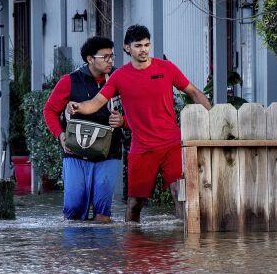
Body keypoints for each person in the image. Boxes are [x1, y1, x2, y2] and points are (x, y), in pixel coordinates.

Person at [71, 24, 211, 222]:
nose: (144, 49)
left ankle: (185, 241)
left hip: (171, 145)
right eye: (138, 45)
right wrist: (79, 107)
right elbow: (96, 102)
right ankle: (134, 245)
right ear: (127, 48)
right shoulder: (119, 76)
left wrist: (213, 115)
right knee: (135, 203)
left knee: (180, 195)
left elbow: (194, 92)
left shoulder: (166, 68)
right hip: (142, 148)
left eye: (147, 45)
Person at [43, 36, 126, 222]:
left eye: (112, 56)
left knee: (103, 213)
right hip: (74, 152)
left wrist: (123, 121)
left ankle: (102, 251)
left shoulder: (120, 78)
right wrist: (60, 135)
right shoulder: (69, 81)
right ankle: (75, 251)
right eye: (105, 57)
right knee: (73, 210)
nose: (110, 61)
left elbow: (137, 110)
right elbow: (49, 110)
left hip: (109, 153)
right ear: (90, 59)